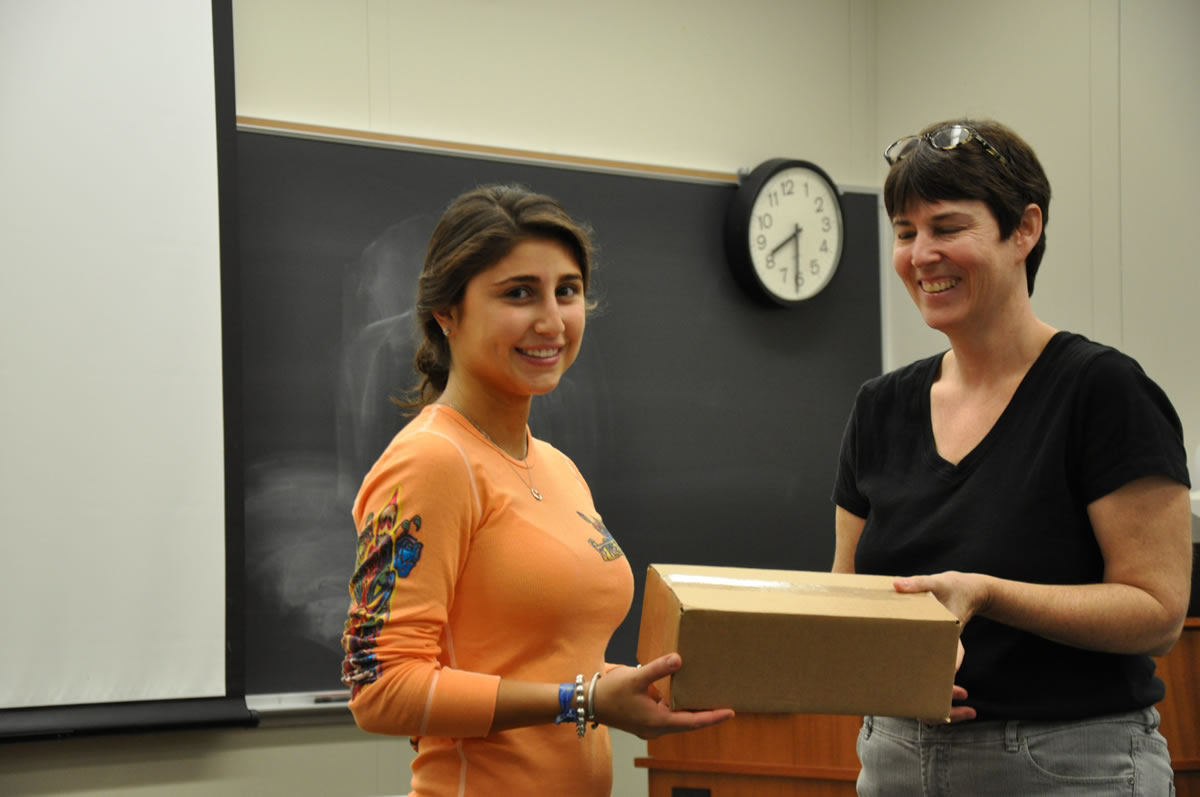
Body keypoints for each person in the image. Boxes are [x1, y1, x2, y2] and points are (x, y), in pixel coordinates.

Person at [832, 119, 1192, 795]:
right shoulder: (880, 406)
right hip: (896, 756)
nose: (921, 255)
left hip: (1068, 764)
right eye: (905, 233)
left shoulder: (1102, 391)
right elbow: (849, 593)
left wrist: (988, 594)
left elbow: (1158, 613)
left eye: (947, 227)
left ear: (1024, 229)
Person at [340, 184, 734, 797]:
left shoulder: (557, 467)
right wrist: (582, 700)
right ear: (446, 312)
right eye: (519, 293)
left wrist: (626, 688)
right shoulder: (431, 461)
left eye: (567, 291)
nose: (552, 321)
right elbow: (380, 688)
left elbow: (551, 662)